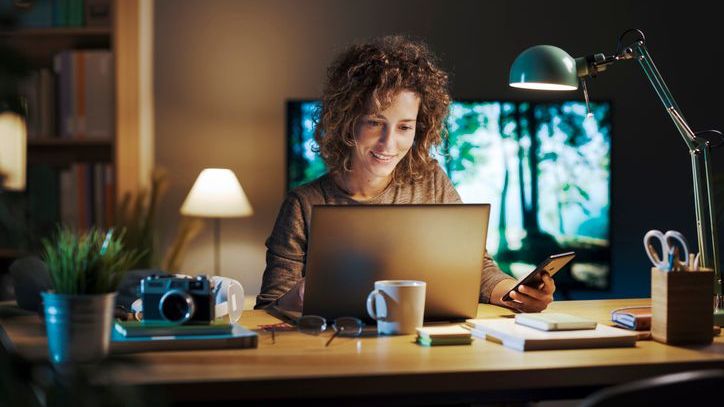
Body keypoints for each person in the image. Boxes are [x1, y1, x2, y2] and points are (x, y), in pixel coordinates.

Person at [255, 35, 555, 313]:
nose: (389, 143)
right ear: (347, 121)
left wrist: (515, 294)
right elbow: (269, 307)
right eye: (375, 122)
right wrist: (304, 294)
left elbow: (478, 268)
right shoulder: (302, 204)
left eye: (404, 127)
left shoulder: (432, 182)